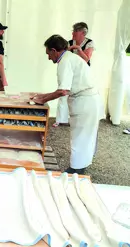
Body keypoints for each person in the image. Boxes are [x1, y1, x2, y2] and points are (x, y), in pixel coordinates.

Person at [31, 34, 102, 175]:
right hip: (89, 100)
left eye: (48, 54)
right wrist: (43, 96)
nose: (48, 57)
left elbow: (63, 90)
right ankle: (80, 166)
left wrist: (43, 100)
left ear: (54, 50)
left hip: (85, 102)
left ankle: (76, 170)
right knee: (86, 136)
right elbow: (63, 89)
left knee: (80, 137)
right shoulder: (70, 57)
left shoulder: (65, 61)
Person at [53, 22, 95, 127]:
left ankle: (77, 118)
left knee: (76, 95)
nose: (73, 33)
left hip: (80, 73)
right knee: (63, 91)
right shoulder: (69, 42)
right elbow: (63, 55)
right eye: (73, 31)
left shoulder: (89, 43)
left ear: (83, 33)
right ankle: (61, 119)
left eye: (76, 31)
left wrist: (78, 49)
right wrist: (70, 48)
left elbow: (86, 59)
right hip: (69, 70)